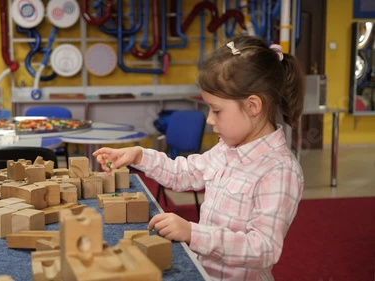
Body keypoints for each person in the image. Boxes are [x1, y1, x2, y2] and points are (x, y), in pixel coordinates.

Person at [92, 35, 305, 281]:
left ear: (252, 106)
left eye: (216, 110)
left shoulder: (279, 170)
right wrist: (139, 156)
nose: (209, 120)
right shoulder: (226, 148)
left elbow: (263, 248)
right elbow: (184, 173)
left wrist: (193, 233)